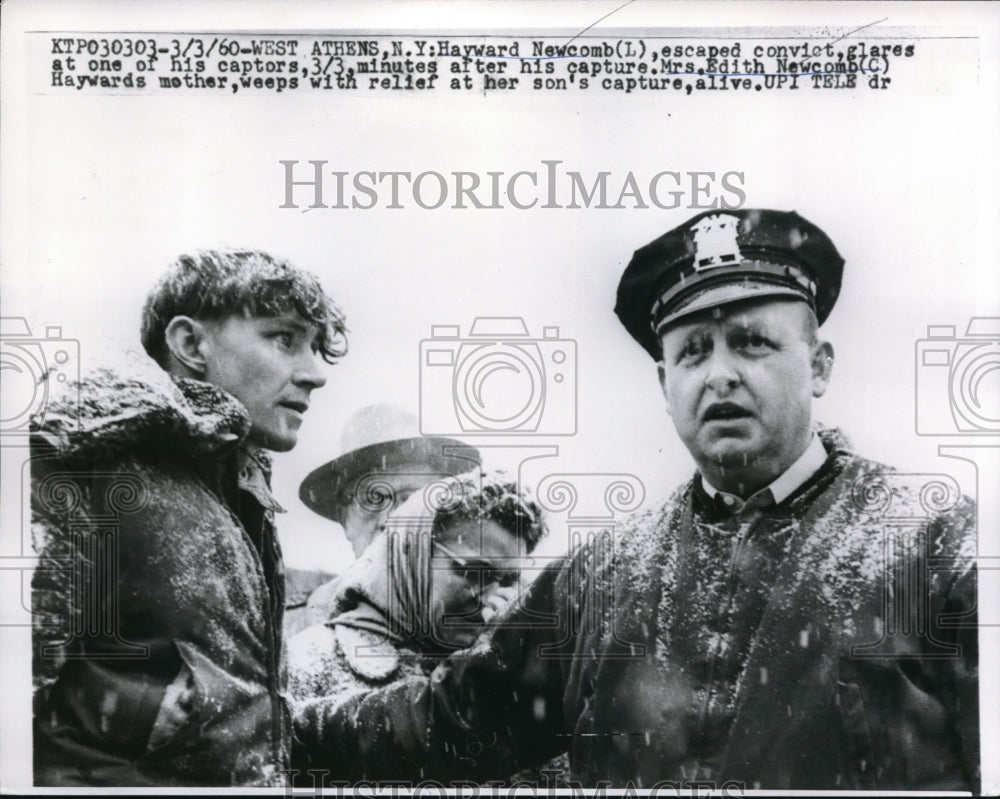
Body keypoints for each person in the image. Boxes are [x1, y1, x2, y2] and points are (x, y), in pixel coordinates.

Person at [300, 209, 979, 791]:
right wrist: (259, 720)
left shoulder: (937, 545)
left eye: (752, 342)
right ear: (664, 381)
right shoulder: (605, 575)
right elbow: (451, 718)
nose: (719, 374)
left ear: (820, 363)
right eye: (692, 352)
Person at [30, 249, 346, 786]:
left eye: (316, 347)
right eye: (285, 338)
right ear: (189, 343)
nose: (315, 373)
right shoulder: (84, 463)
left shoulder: (240, 494)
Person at [287, 470, 547, 781]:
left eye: (507, 581)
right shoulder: (307, 663)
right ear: (413, 553)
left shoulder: (504, 679)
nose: (491, 598)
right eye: (475, 572)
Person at [285, 404, 481, 638]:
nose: (389, 520)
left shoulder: (482, 625)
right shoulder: (290, 630)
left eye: (410, 500)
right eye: (372, 499)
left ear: (444, 518)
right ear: (345, 521)